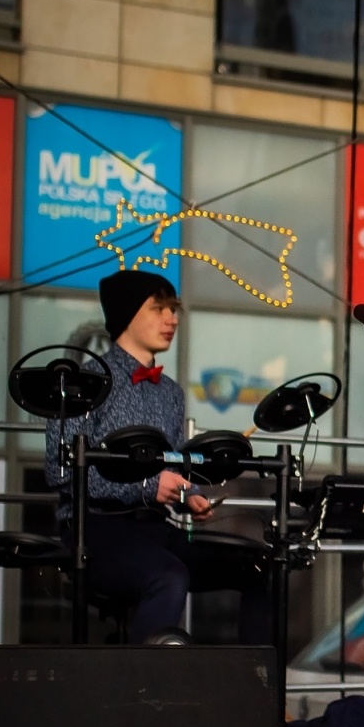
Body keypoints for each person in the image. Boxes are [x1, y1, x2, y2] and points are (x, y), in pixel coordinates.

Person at [44, 270, 270, 643]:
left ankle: (256, 677)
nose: (172, 319)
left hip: (155, 528)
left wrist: (188, 494)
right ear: (125, 314)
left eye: (173, 309)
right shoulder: (84, 382)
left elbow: (174, 463)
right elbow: (61, 470)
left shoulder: (170, 393)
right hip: (93, 529)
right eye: (158, 308)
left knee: (259, 566)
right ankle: (141, 680)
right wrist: (148, 487)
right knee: (169, 576)